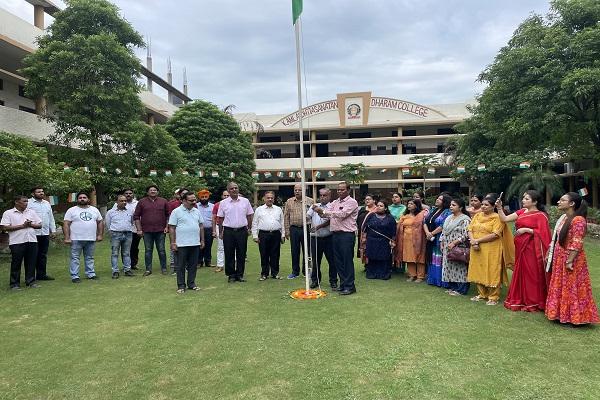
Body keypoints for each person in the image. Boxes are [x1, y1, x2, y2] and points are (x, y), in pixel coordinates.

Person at [545, 192, 599, 325]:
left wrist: (569, 261)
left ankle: (575, 318)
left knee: (572, 287)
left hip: (571, 259)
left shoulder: (578, 220)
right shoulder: (564, 218)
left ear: (571, 204)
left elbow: (577, 242)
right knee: (561, 286)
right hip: (560, 257)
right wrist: (550, 253)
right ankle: (560, 315)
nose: (558, 202)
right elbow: (557, 239)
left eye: (562, 200)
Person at [496, 190, 551, 312]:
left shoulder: (541, 215)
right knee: (522, 272)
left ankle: (534, 301)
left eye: (526, 199)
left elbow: (544, 234)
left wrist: (527, 230)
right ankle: (522, 298)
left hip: (532, 249)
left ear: (535, 202)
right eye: (523, 198)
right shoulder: (522, 212)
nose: (523, 200)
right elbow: (504, 219)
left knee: (532, 274)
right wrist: (499, 207)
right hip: (520, 248)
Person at [467, 194, 515, 305]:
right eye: (482, 204)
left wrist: (477, 241)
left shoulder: (498, 218)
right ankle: (482, 293)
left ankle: (493, 296)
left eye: (486, 205)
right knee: (478, 269)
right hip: (476, 247)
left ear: (493, 206)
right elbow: (470, 229)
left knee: (492, 270)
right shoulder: (477, 216)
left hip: (491, 248)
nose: (483, 206)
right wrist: (473, 241)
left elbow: (495, 234)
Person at [314, 182, 359, 295]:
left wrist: (324, 211)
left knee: (346, 260)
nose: (339, 191)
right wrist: (318, 211)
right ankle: (343, 284)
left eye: (342, 190)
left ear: (348, 190)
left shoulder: (352, 202)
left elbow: (342, 214)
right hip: (335, 235)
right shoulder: (335, 202)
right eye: (338, 190)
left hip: (346, 235)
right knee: (338, 261)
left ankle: (350, 286)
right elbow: (326, 215)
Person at [1, 195, 42, 289]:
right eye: (24, 201)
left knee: (31, 262)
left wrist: (30, 224)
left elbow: (39, 225)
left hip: (31, 240)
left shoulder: (31, 212)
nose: (26, 203)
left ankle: (30, 282)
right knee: (16, 263)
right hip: (17, 241)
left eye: (27, 201)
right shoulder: (8, 213)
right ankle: (14, 284)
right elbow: (5, 227)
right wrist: (22, 226)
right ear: (16, 202)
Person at [169, 192, 205, 294]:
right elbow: (171, 227)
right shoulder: (176, 212)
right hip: (181, 244)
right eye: (191, 200)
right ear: (184, 201)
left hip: (195, 243)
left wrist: (202, 240)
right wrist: (173, 243)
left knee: (193, 265)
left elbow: (201, 226)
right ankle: (181, 285)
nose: (194, 202)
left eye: (195, 200)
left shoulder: (196, 211)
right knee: (180, 266)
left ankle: (191, 284)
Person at [217, 182, 254, 283]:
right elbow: (220, 218)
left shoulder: (245, 201)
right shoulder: (223, 203)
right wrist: (220, 232)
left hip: (242, 231)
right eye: (232, 188)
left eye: (236, 188)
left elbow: (250, 215)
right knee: (229, 253)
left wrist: (249, 228)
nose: (234, 190)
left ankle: (240, 274)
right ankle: (231, 275)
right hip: (228, 231)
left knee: (241, 253)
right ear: (228, 191)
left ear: (238, 189)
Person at [63, 192, 104, 283]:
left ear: (88, 199)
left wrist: (100, 234)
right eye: (80, 197)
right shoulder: (71, 210)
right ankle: (75, 276)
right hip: (76, 238)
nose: (82, 199)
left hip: (90, 238)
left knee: (89, 257)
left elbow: (100, 221)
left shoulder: (94, 210)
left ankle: (90, 274)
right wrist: (67, 237)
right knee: (75, 258)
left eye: (84, 197)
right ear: (77, 199)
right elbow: (66, 223)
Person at [134, 185, 169, 276]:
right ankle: (148, 269)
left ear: (157, 192)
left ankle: (164, 268)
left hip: (161, 230)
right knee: (148, 250)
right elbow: (136, 216)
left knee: (161, 250)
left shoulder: (164, 201)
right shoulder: (142, 202)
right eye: (151, 190)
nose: (153, 191)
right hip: (146, 231)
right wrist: (139, 229)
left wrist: (167, 227)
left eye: (155, 190)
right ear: (147, 192)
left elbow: (168, 215)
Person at [440, 198, 471, 295]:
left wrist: (454, 242)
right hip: (447, 246)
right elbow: (444, 231)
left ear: (461, 207)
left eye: (454, 205)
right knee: (449, 266)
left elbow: (466, 234)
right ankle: (453, 287)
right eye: (450, 205)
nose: (451, 207)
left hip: (458, 247)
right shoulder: (449, 217)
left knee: (459, 266)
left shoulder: (465, 219)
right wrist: (442, 241)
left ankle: (461, 289)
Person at [306, 188, 336, 289]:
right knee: (315, 261)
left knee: (332, 261)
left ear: (329, 196)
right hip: (315, 239)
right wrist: (306, 215)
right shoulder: (314, 206)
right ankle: (315, 280)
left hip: (328, 238)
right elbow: (307, 217)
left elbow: (330, 220)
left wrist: (318, 227)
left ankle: (333, 281)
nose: (322, 197)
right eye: (321, 195)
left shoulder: (332, 207)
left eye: (325, 195)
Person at [252, 191, 284, 281]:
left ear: (274, 199)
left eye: (271, 198)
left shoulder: (278, 209)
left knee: (275, 254)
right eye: (268, 197)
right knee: (264, 254)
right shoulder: (259, 209)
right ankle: (264, 274)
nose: (270, 199)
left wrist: (283, 235)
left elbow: (282, 222)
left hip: (276, 234)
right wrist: (255, 235)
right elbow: (255, 223)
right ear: (264, 199)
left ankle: (275, 273)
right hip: (263, 234)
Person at [284, 183, 314, 279]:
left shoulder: (310, 201)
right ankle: (295, 271)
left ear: (304, 190)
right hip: (294, 229)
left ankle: (306, 271)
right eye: (295, 190)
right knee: (295, 251)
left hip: (307, 228)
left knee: (307, 250)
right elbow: (286, 217)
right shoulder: (289, 201)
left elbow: (314, 216)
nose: (297, 191)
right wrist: (287, 231)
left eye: (299, 190)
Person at [27, 186, 56, 280]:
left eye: (42, 191)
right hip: (32, 233)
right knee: (32, 255)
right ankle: (30, 277)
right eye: (38, 192)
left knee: (43, 255)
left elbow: (51, 217)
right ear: (33, 194)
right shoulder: (28, 203)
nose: (41, 193)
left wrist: (53, 230)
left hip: (45, 233)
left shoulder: (47, 203)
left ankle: (41, 275)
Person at [362, 200, 396, 280]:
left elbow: (393, 231)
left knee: (383, 257)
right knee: (372, 256)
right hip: (371, 240)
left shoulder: (390, 218)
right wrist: (364, 238)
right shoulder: (371, 216)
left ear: (386, 208)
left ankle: (383, 274)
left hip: (384, 242)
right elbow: (365, 228)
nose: (379, 207)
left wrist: (393, 241)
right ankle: (371, 274)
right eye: (378, 205)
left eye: (381, 206)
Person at [423, 194, 452, 287]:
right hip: (430, 237)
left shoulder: (447, 212)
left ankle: (441, 280)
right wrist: (427, 232)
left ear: (445, 202)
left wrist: (432, 233)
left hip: (440, 238)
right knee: (433, 258)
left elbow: (443, 225)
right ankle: (432, 279)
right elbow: (424, 221)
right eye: (438, 198)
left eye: (440, 199)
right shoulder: (433, 209)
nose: (437, 200)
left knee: (440, 259)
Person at [395, 199, 427, 282]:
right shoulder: (405, 215)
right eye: (408, 204)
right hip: (406, 239)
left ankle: (420, 276)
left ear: (416, 205)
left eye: (411, 204)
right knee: (409, 256)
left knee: (419, 256)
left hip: (418, 239)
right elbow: (399, 225)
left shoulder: (421, 215)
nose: (409, 205)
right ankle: (412, 275)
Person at [105, 194, 135, 279]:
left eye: (125, 201)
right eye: (121, 201)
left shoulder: (130, 211)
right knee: (115, 253)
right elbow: (108, 223)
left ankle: (127, 270)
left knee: (126, 253)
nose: (124, 202)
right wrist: (112, 232)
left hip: (128, 233)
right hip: (116, 234)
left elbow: (132, 222)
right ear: (117, 202)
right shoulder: (111, 212)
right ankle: (115, 271)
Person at [166, 188, 186, 274]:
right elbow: (169, 218)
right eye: (183, 193)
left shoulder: (193, 204)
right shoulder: (172, 204)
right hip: (175, 230)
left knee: (186, 248)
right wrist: (168, 227)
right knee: (174, 247)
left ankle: (186, 266)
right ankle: (175, 267)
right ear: (179, 195)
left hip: (187, 231)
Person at [212, 190, 229, 273]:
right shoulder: (217, 205)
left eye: (227, 195)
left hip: (230, 227)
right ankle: (220, 265)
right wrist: (214, 231)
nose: (226, 197)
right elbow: (214, 218)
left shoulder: (233, 204)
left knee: (232, 247)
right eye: (224, 195)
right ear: (222, 196)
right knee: (220, 247)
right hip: (219, 227)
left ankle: (232, 264)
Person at [197, 189, 215, 268]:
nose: (204, 198)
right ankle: (199, 262)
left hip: (209, 229)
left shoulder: (212, 206)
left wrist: (214, 230)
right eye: (202, 197)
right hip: (198, 229)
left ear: (208, 197)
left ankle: (208, 261)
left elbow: (214, 219)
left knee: (208, 245)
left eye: (205, 197)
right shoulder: (196, 206)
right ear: (199, 198)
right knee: (199, 245)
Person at [356, 194, 376, 263]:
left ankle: (372, 263)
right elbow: (357, 219)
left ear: (374, 200)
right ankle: (366, 263)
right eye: (366, 199)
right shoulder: (362, 209)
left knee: (372, 248)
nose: (367, 200)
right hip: (362, 232)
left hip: (372, 233)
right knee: (363, 248)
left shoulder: (377, 210)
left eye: (369, 199)